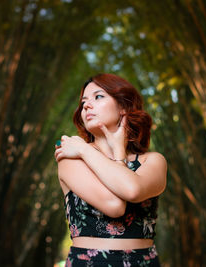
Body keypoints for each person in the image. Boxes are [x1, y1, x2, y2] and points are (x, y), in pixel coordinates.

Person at [54, 73, 167, 266]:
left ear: (123, 107)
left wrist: (88, 148)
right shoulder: (70, 158)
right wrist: (83, 150)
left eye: (98, 97)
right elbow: (115, 206)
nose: (87, 105)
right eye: (83, 102)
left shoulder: (153, 161)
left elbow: (132, 190)